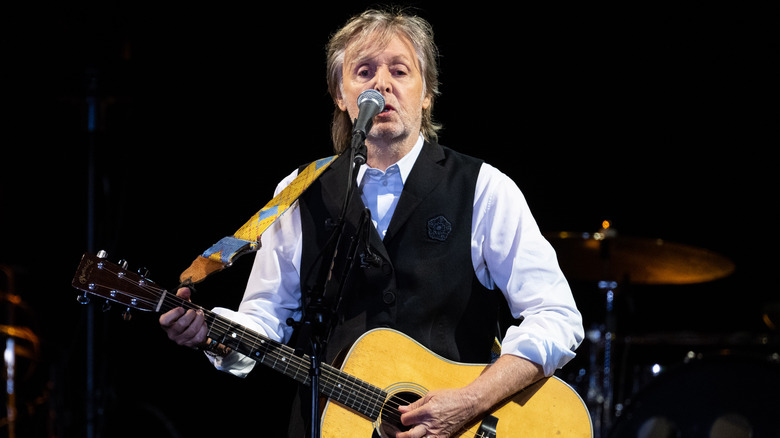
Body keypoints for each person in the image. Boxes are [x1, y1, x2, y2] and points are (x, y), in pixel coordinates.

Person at [159, 7, 583, 438]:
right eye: (363, 72)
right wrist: (212, 335)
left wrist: (471, 400)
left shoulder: (484, 188)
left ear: (427, 93)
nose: (381, 84)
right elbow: (265, 316)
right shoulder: (301, 190)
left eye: (400, 71)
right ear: (340, 95)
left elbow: (557, 317)